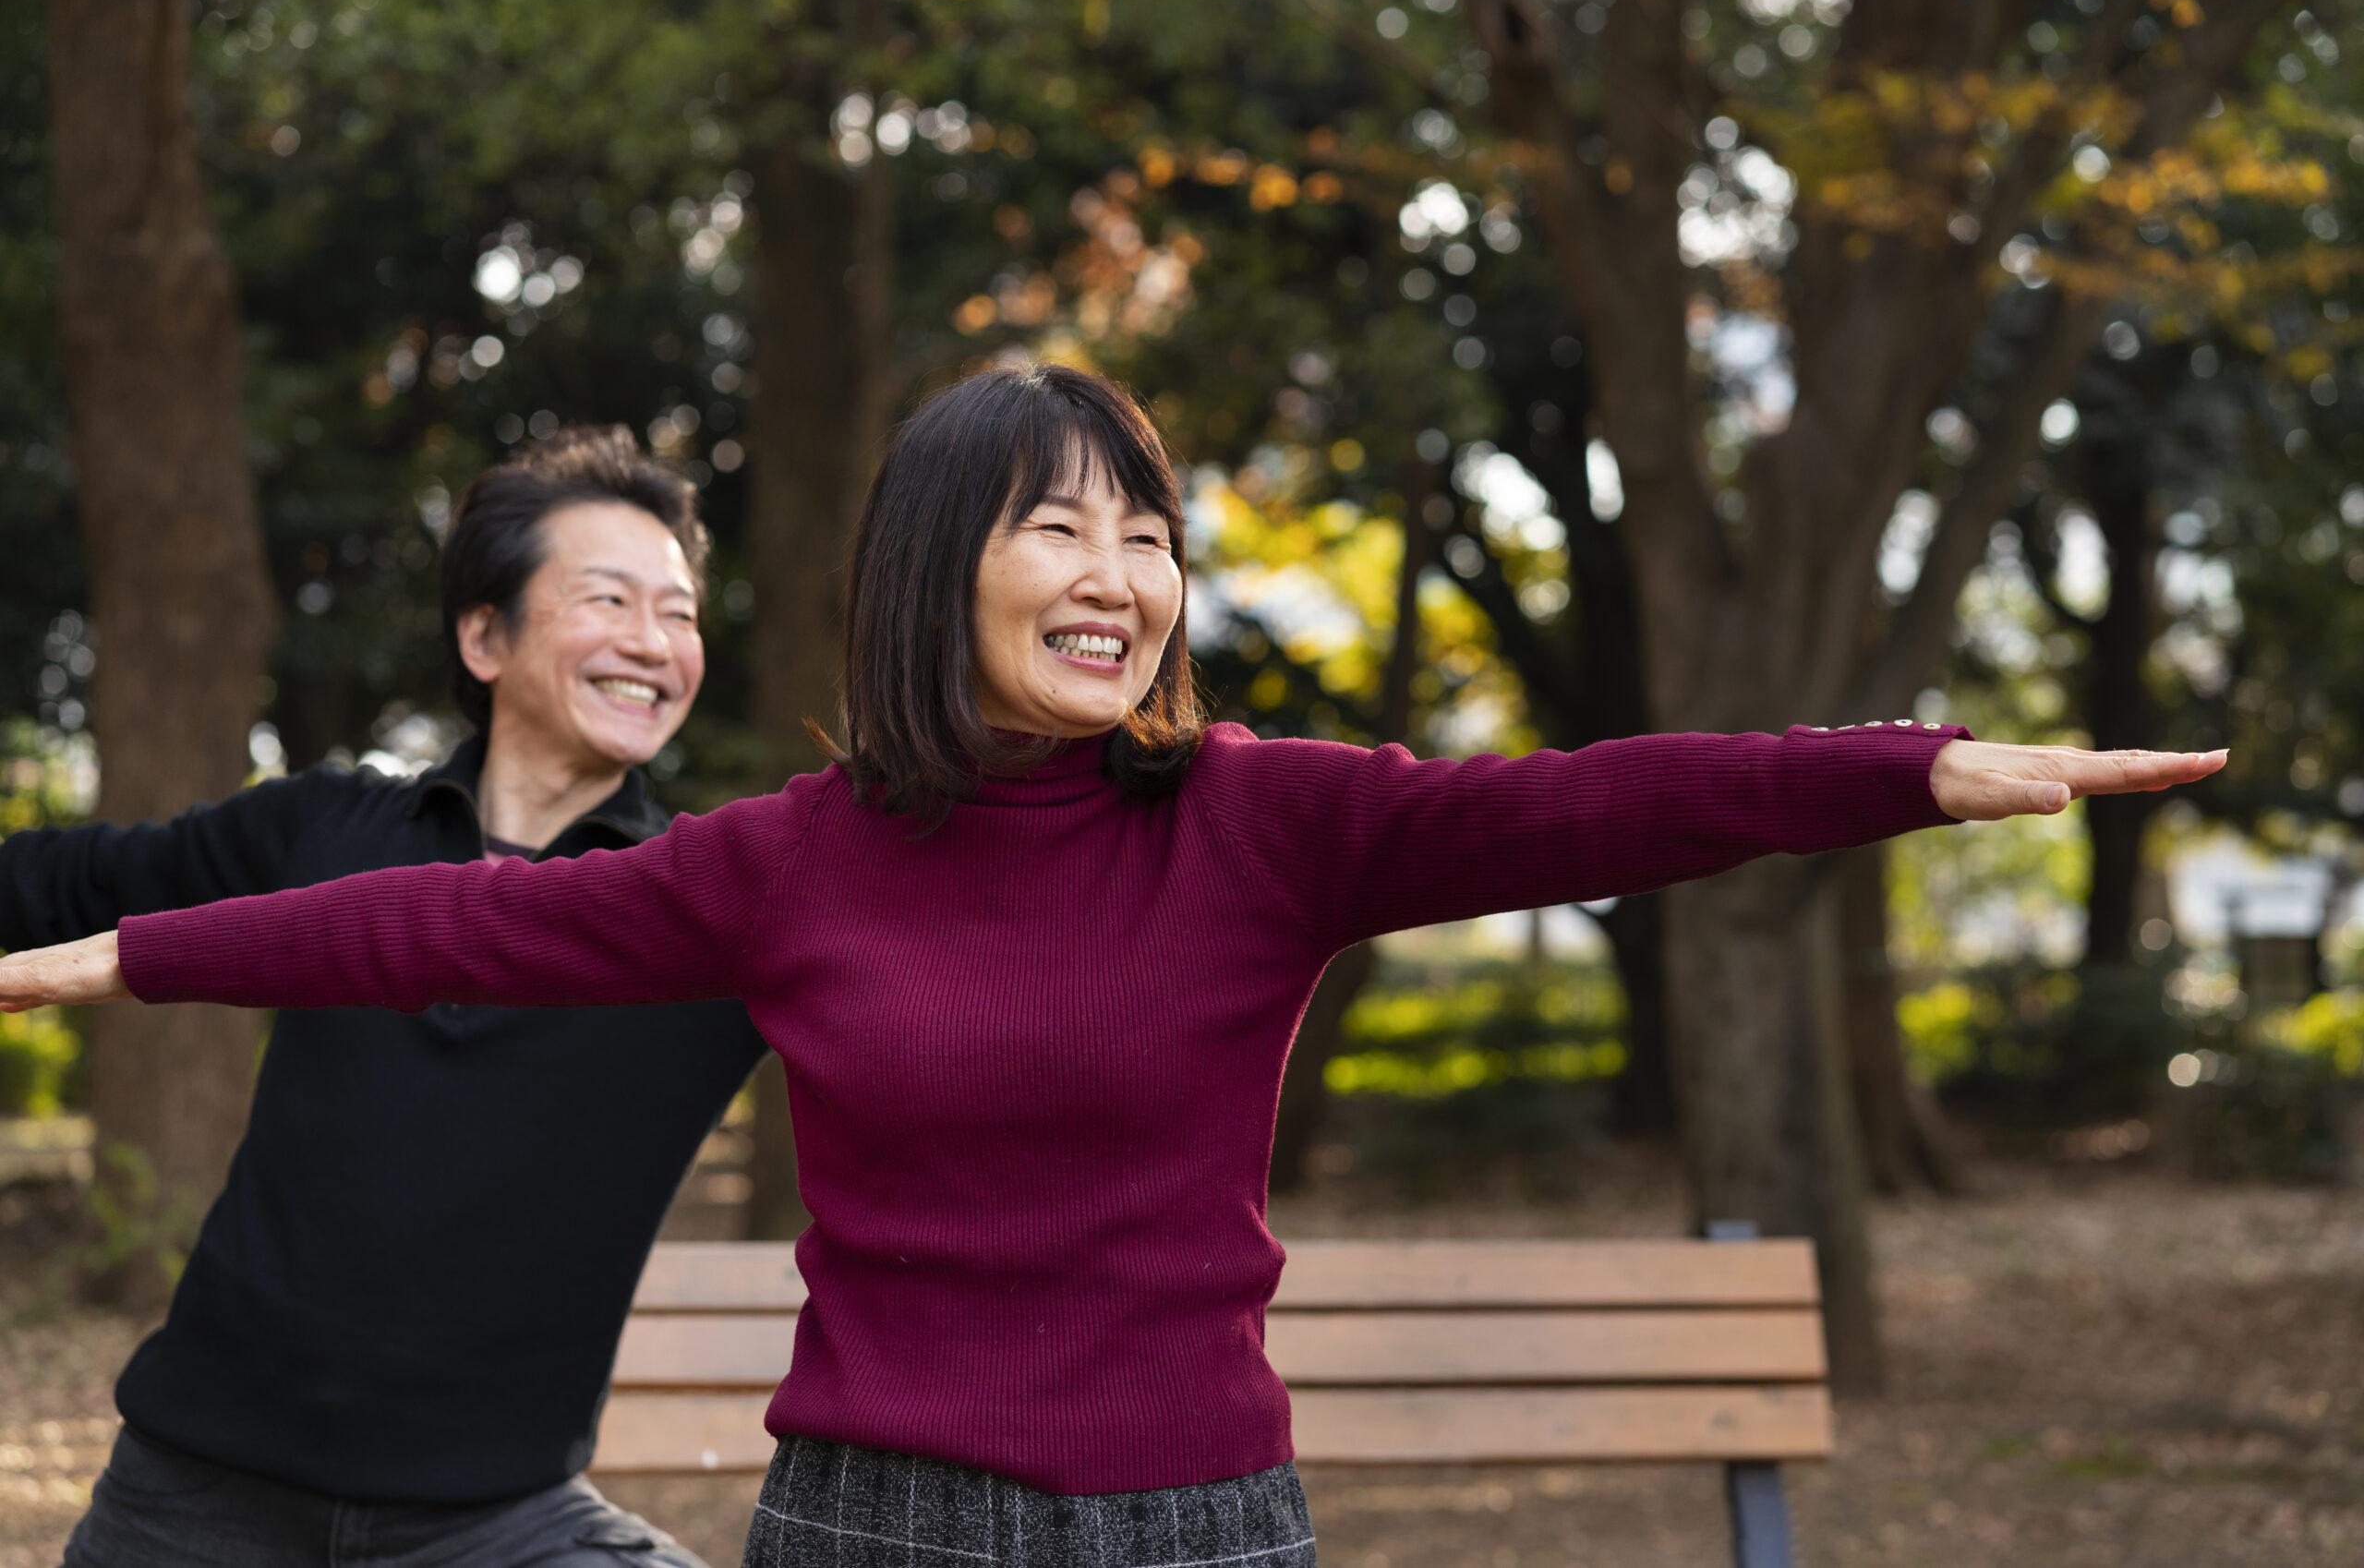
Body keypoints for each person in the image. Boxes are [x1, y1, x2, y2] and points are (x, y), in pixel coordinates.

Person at [2, 366, 2225, 1568]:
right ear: (930, 570)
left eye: (1145, 529)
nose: (1118, 568)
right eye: (1055, 520)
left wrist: (1911, 772)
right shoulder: (791, 866)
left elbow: (1586, 801)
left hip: (1193, 1525)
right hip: (865, 1523)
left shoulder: (1259, 820)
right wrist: (117, 960)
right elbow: (436, 920)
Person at [4, 428, 767, 1568]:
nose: (654, 644)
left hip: (497, 1522)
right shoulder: (327, 826)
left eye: (681, 612)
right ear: (482, 633)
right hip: (197, 1493)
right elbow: (67, 881)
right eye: (610, 599)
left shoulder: (711, 911)